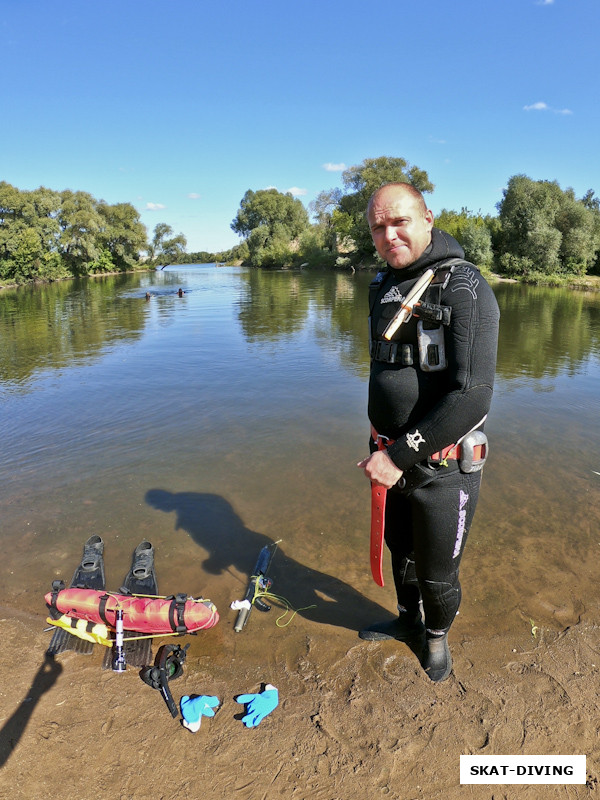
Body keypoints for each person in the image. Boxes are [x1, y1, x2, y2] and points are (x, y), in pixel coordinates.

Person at [357, 183, 500, 682]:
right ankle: (405, 621)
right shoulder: (379, 286)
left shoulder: (464, 286)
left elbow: (472, 395)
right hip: (386, 454)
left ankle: (435, 638)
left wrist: (397, 457)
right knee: (401, 552)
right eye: (378, 226)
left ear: (428, 219)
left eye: (399, 222)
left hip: (442, 468)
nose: (389, 234)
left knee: (438, 573)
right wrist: (382, 448)